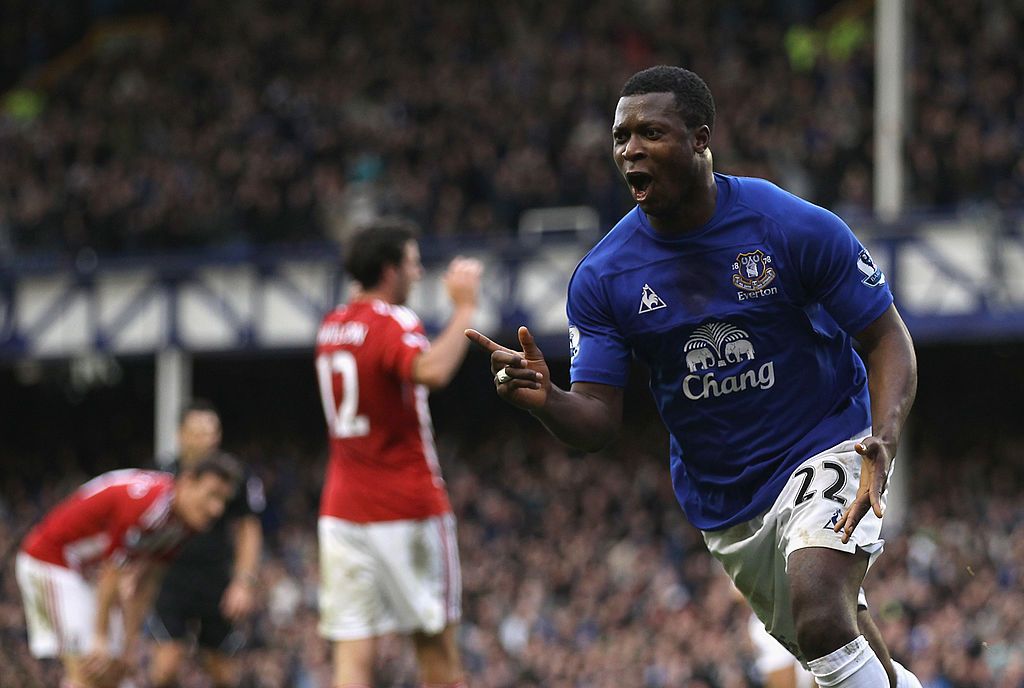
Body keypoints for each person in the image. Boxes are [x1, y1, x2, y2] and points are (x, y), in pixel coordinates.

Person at [467, 66, 922, 688]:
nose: (630, 150)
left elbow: (886, 338)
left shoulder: (788, 226)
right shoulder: (604, 277)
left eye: (650, 133)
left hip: (826, 443)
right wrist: (547, 400)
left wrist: (884, 438)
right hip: (727, 502)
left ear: (700, 138)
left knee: (820, 612)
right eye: (620, 137)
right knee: (840, 642)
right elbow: (596, 420)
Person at [315, 219, 481, 688]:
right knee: (436, 654)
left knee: (351, 660)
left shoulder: (331, 327)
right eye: (412, 263)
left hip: (342, 512)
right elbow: (431, 371)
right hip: (405, 508)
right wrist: (465, 309)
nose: (419, 272)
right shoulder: (393, 321)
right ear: (390, 271)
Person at [16, 455, 240, 688]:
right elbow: (112, 569)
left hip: (87, 572)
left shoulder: (183, 524)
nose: (216, 509)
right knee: (89, 669)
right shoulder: (148, 505)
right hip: (51, 561)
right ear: (188, 481)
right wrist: (100, 637)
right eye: (212, 495)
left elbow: (148, 581)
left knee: (115, 669)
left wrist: (129, 646)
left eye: (223, 501)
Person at [149, 400, 265, 688]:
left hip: (216, 579)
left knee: (223, 672)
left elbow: (248, 529)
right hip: (170, 578)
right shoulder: (161, 472)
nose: (208, 440)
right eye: (199, 433)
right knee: (165, 668)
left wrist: (244, 582)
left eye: (213, 433)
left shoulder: (235, 475)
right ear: (181, 435)